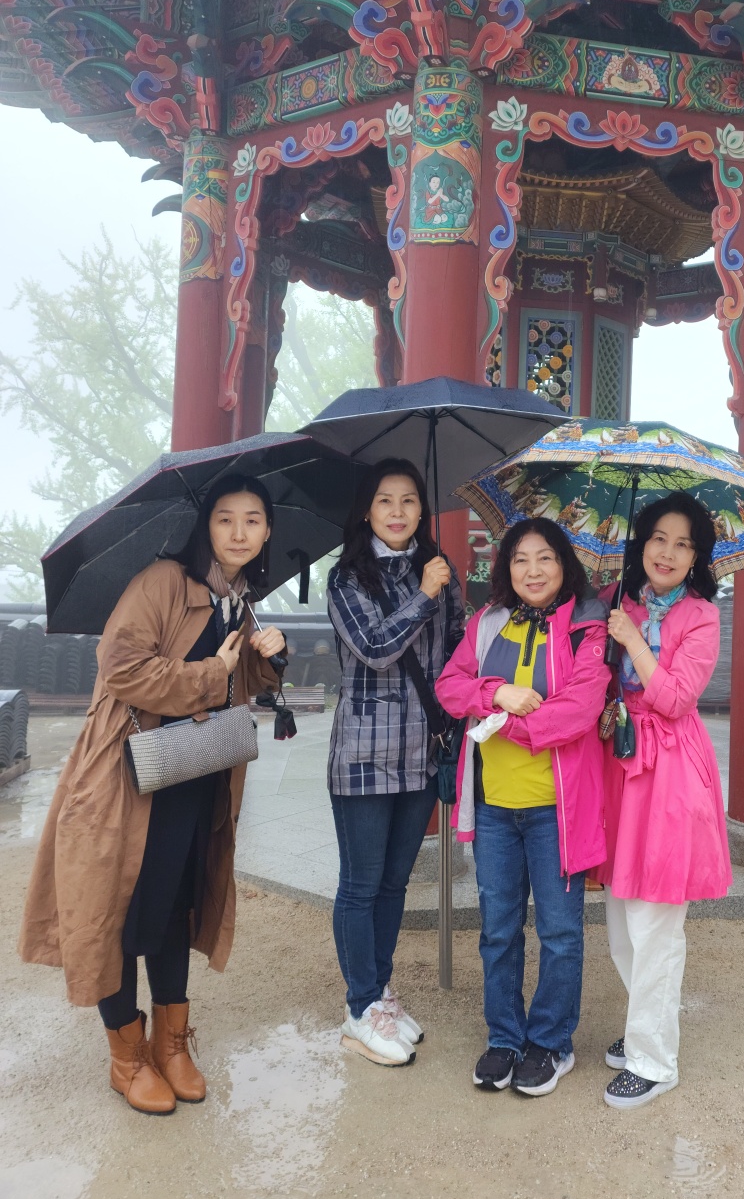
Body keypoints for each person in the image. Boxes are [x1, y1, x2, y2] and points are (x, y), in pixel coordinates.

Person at [20, 475, 286, 1115]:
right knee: (116, 910)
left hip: (191, 776)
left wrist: (265, 657)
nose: (239, 532)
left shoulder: (239, 600)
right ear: (206, 526)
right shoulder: (163, 581)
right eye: (226, 519)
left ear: (268, 531)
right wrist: (216, 670)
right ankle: (127, 1056)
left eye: (253, 519)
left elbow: (237, 685)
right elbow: (122, 669)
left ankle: (172, 1045)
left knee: (175, 907)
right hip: (128, 776)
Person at [436, 519, 609, 1097]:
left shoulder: (586, 627)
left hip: (556, 809)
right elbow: (450, 686)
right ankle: (506, 1038)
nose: (532, 571)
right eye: (520, 560)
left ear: (564, 565)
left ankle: (551, 1042)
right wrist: (496, 693)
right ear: (505, 568)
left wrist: (498, 723)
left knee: (559, 931)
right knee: (498, 929)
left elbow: (579, 710)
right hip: (493, 808)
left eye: (545, 558)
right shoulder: (488, 623)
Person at [595, 491, 732, 1109]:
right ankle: (643, 1026)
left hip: (670, 772)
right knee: (621, 919)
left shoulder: (701, 617)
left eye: (683, 544)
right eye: (658, 538)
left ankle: (654, 1060)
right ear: (641, 543)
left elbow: (676, 698)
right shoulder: (619, 602)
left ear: (696, 557)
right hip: (621, 767)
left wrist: (633, 642)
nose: (668, 553)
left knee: (654, 921)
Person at [326, 459, 464, 1069]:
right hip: (363, 752)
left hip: (420, 751)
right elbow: (376, 648)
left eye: (409, 500)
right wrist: (426, 594)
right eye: (386, 500)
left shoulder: (439, 569)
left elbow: (456, 653)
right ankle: (359, 1008)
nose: (399, 511)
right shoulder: (346, 578)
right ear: (367, 510)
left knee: (393, 883)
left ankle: (380, 991)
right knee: (360, 885)